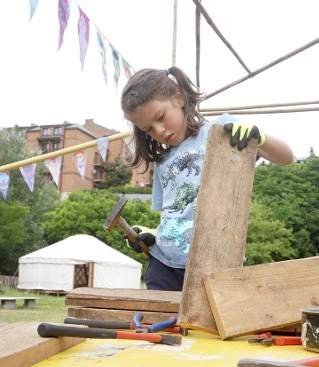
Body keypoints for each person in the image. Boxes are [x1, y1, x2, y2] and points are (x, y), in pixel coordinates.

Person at [120, 66, 294, 291]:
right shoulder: (162, 162)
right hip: (164, 264)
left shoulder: (222, 129)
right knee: (159, 325)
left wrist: (260, 138)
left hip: (218, 259)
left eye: (161, 117)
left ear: (179, 98)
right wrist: (154, 235)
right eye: (149, 129)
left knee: (208, 326)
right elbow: (170, 213)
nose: (159, 130)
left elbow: (286, 157)